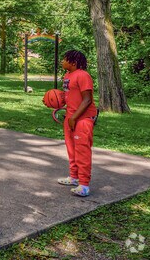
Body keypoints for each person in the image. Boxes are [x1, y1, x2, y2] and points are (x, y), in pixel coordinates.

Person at [57, 50, 98, 197]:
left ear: (73, 62)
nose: (62, 61)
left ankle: (84, 185)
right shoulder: (68, 75)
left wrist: (74, 117)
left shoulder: (83, 75)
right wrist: (55, 100)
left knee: (82, 151)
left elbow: (87, 100)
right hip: (71, 117)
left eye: (65, 59)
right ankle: (74, 177)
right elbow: (69, 96)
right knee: (71, 149)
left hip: (82, 118)